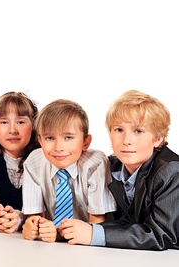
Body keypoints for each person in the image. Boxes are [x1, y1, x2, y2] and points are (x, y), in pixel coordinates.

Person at [58, 90, 179, 251]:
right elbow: (124, 220)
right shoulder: (110, 165)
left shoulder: (170, 170)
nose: (127, 140)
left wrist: (94, 233)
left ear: (158, 138)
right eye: (119, 130)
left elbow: (161, 235)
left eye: (138, 131)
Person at [22, 99, 116, 242]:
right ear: (40, 140)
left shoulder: (95, 165)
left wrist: (59, 234)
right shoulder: (34, 163)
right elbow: (35, 218)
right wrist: (33, 228)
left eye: (68, 137)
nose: (58, 147)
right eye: (49, 138)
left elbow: (97, 224)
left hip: (85, 242)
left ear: (86, 142)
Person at [0, 91, 39, 233]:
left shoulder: (41, 159)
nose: (12, 130)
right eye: (4, 122)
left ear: (34, 125)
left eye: (21, 122)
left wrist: (20, 218)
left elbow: (45, 206)